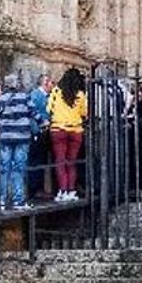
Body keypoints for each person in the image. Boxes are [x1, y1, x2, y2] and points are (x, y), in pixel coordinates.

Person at [0, 74, 33, 209]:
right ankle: (18, 200)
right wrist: (43, 122)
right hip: (22, 137)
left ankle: (2, 200)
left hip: (5, 137)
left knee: (4, 168)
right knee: (19, 168)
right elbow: (34, 112)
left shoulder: (1, 99)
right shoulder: (24, 97)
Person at [48, 68, 88, 202]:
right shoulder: (80, 94)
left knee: (60, 161)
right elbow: (84, 113)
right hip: (76, 130)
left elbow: (49, 109)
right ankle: (71, 190)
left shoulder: (56, 91)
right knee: (71, 162)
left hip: (59, 129)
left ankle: (63, 191)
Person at [27, 75, 54, 201]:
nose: (52, 85)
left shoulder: (48, 96)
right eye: (51, 83)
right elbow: (32, 112)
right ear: (45, 83)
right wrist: (38, 127)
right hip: (37, 132)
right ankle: (34, 189)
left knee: (42, 159)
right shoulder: (35, 95)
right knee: (36, 160)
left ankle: (41, 188)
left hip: (46, 131)